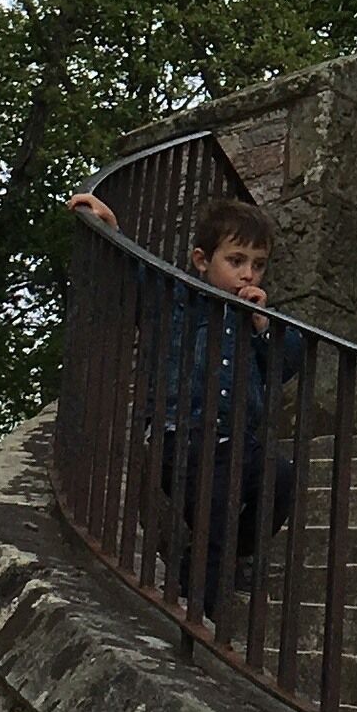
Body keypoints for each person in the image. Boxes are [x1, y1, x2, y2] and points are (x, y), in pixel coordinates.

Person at [69, 182, 281, 611]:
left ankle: (218, 562)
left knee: (281, 479)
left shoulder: (253, 319)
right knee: (216, 501)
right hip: (181, 436)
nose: (247, 275)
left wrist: (263, 326)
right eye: (236, 261)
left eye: (258, 266)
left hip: (239, 439)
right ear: (203, 261)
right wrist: (113, 229)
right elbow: (140, 276)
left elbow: (285, 365)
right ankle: (201, 603)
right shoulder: (181, 301)